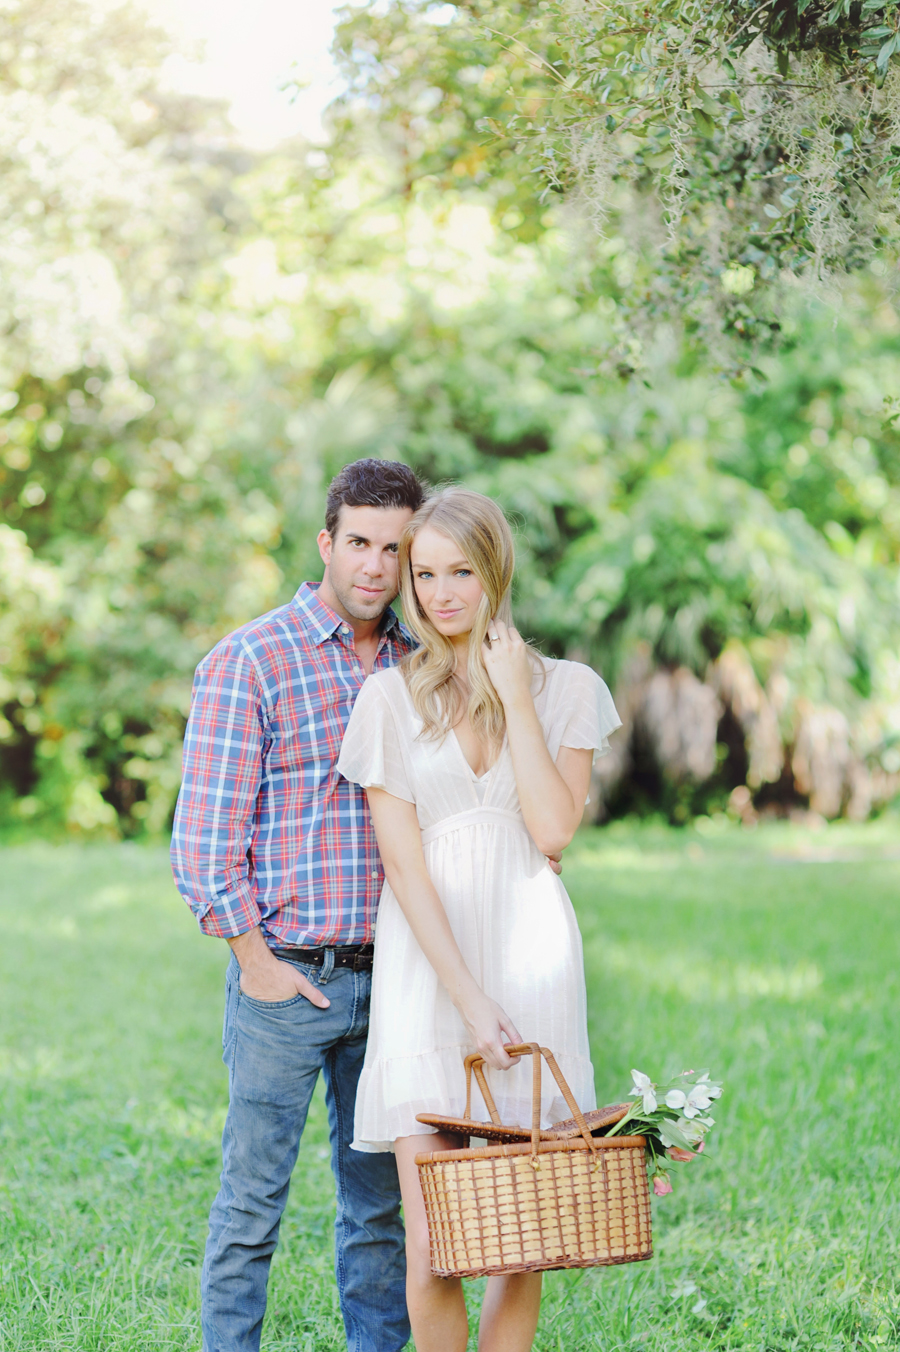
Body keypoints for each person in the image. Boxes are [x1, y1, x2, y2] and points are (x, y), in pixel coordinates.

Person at [337, 488, 622, 1352]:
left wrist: (517, 700)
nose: (440, 593)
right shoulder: (388, 700)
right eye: (423, 575)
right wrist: (465, 998)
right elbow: (403, 865)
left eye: (461, 571)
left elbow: (553, 829)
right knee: (434, 1250)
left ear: (496, 571)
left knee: (518, 1240)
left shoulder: (567, 688)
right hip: (432, 978)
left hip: (533, 959)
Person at [170, 458, 428, 1352]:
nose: (374, 566)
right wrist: (258, 967)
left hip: (395, 986)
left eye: (395, 549)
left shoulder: (420, 665)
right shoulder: (250, 659)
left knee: (380, 1214)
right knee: (250, 1208)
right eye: (358, 542)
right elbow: (204, 843)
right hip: (286, 984)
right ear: (327, 542)